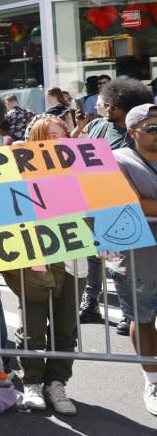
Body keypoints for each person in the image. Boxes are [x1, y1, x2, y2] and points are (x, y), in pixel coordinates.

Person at [12, 115, 87, 416]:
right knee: (32, 325)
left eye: (63, 133)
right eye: (51, 134)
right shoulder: (17, 168)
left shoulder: (82, 165)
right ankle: (31, 382)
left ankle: (57, 382)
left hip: (75, 257)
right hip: (35, 255)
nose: (59, 139)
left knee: (66, 327)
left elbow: (102, 200)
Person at [80, 79, 154, 329]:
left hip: (125, 211)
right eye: (107, 104)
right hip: (99, 204)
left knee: (120, 261)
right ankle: (90, 301)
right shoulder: (98, 127)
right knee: (95, 256)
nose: (108, 109)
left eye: (115, 106)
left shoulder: (139, 137)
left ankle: (127, 311)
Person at [112, 103, 157, 416]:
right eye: (152, 127)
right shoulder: (117, 159)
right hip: (137, 257)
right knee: (141, 320)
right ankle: (152, 379)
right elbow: (132, 203)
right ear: (132, 132)